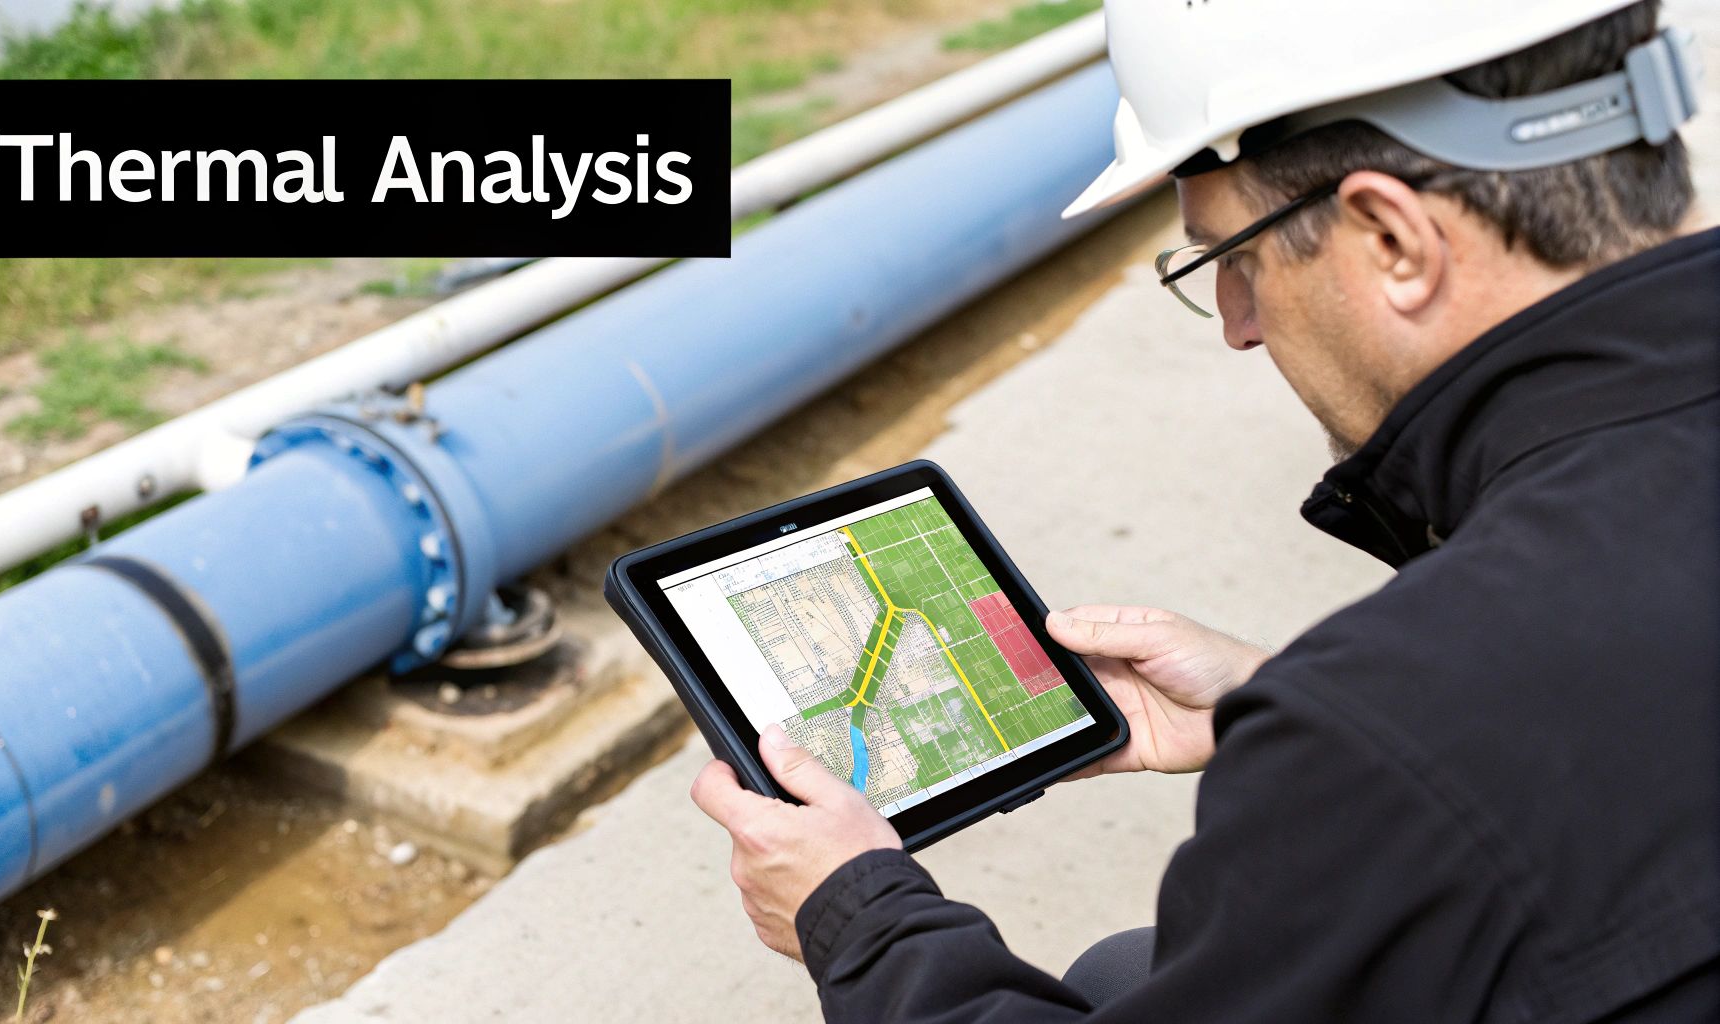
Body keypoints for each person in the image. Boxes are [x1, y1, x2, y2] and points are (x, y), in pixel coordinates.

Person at [689, 0, 1720, 1019]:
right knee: (1123, 973)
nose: (1234, 324)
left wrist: (856, 917)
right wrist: (1274, 704)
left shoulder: (1400, 727)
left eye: (1233, 254)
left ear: (1391, 238)